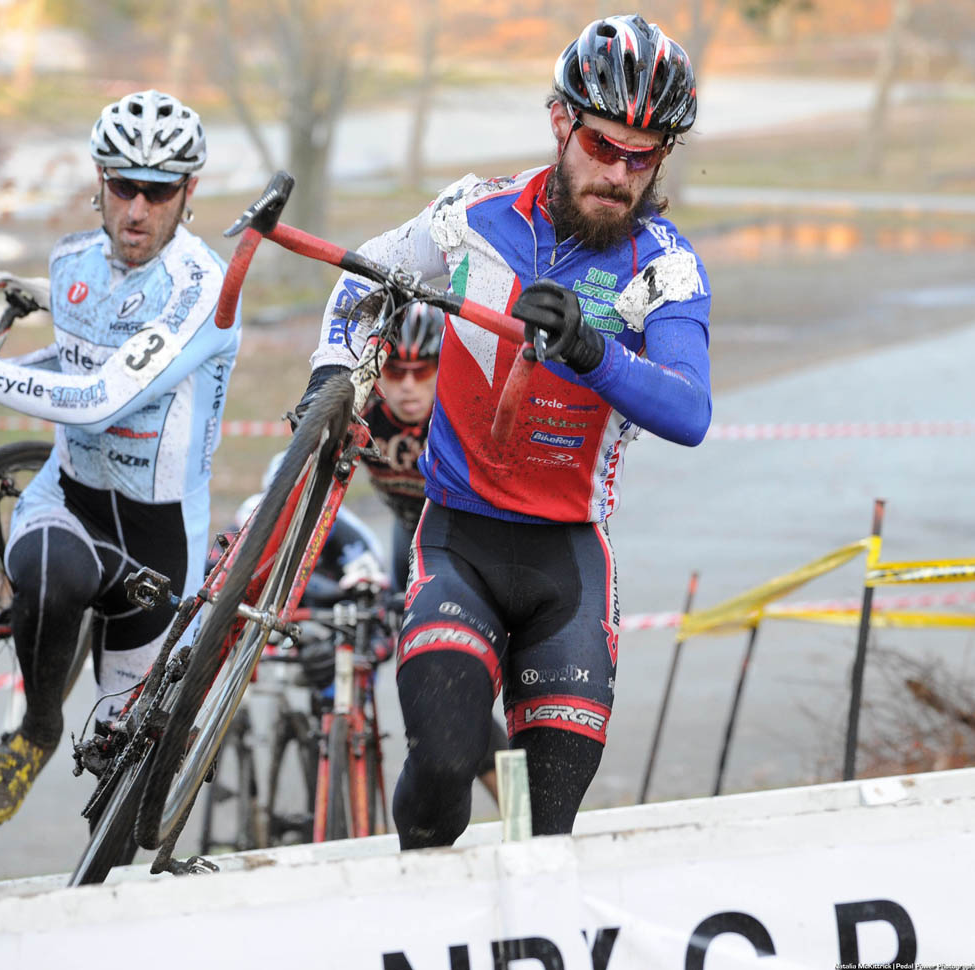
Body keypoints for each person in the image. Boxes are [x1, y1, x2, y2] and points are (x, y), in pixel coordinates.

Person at [296, 14, 709, 848]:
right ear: (561, 123)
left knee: (543, 835)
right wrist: (329, 380)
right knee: (447, 766)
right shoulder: (470, 215)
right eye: (603, 145)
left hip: (569, 566)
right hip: (461, 545)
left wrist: (594, 352)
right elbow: (361, 288)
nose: (619, 174)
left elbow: (689, 411)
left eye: (644, 155)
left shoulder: (665, 267)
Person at [0, 89, 242, 826]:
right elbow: (74, 362)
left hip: (158, 542)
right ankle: (38, 729)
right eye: (121, 186)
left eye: (159, 191)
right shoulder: (74, 259)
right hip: (70, 499)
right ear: (100, 182)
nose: (136, 210)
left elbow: (104, 397)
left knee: (129, 798)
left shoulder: (202, 287)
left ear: (189, 193)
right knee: (46, 571)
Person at [359, 303, 508, 800]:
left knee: (460, 688)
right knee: (436, 689)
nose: (405, 386)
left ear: (442, 366)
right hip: (409, 535)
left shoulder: (460, 407)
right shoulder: (366, 406)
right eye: (393, 370)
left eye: (421, 370)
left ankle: (522, 813)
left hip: (468, 543)